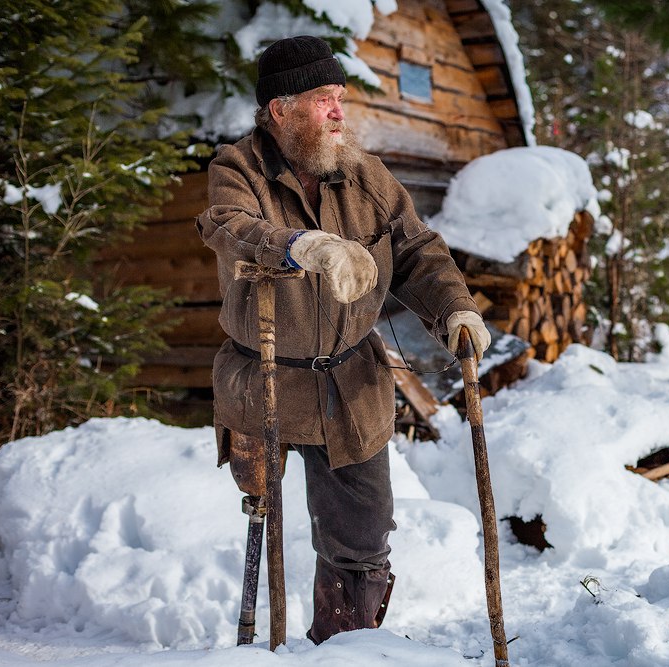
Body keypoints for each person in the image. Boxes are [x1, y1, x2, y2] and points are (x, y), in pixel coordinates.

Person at [196, 35, 491, 644]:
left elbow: (415, 249)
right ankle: (262, 647)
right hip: (266, 379)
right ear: (281, 109)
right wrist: (301, 246)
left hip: (351, 383)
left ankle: (344, 649)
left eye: (340, 97)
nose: (338, 111)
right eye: (323, 98)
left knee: (361, 540)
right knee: (263, 522)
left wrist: (456, 312)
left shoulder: (362, 174)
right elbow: (229, 228)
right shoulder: (238, 168)